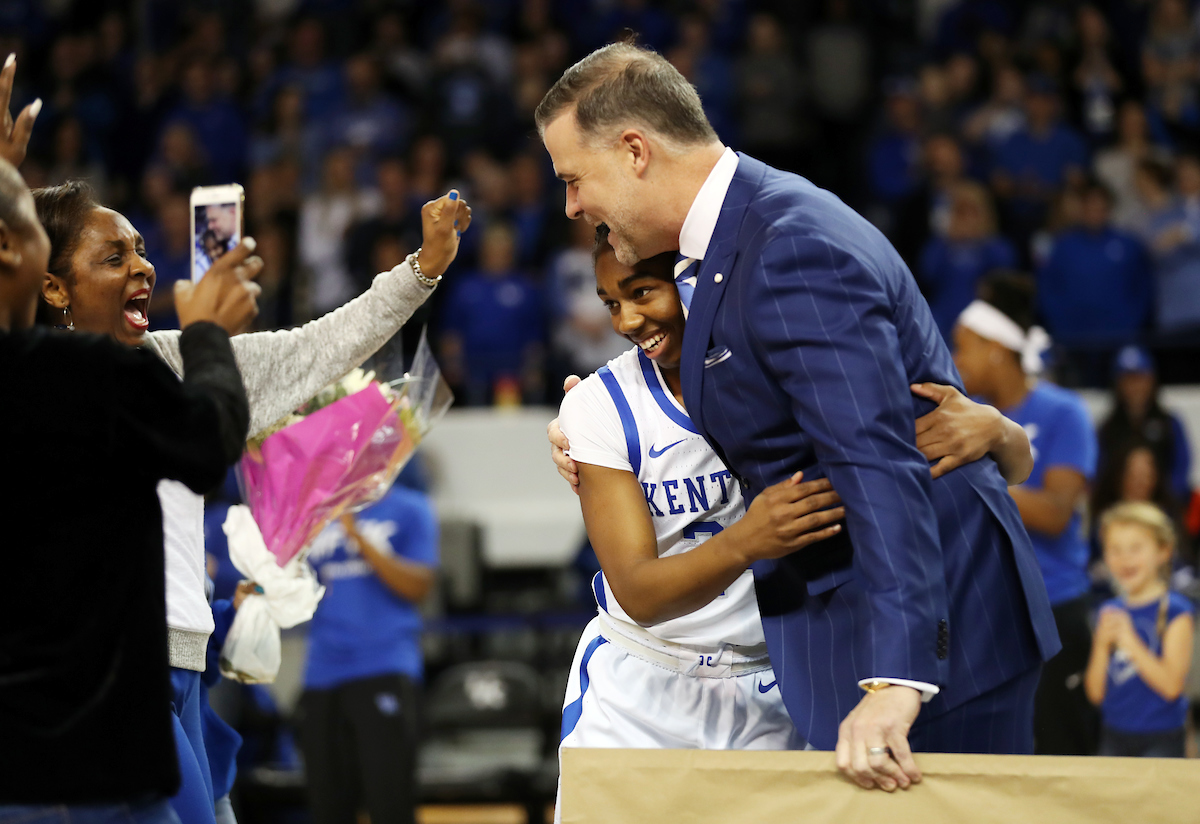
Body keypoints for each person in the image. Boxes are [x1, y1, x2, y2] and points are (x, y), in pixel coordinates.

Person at [536, 43, 1058, 792]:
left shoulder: (787, 244)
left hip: (933, 647)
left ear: (634, 151)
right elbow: (770, 430)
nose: (571, 206)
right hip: (840, 633)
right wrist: (598, 431)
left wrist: (900, 676)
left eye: (573, 179)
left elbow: (873, 459)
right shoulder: (728, 242)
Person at [31, 178, 469, 824]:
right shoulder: (40, 390)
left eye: (141, 249)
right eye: (113, 257)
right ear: (53, 287)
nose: (142, 266)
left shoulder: (177, 360)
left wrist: (422, 269)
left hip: (186, 669)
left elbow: (316, 348)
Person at [0, 154, 256, 814]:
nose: (141, 266)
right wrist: (207, 334)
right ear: (44, 277)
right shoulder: (93, 372)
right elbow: (210, 442)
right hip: (97, 724)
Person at [951, 272, 1100, 755]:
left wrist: (977, 478)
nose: (955, 359)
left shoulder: (1063, 411)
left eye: (964, 346)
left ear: (996, 348)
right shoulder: (963, 413)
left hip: (1054, 603)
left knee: (1063, 756)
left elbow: (1056, 512)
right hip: (985, 609)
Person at [298, 478, 438, 824]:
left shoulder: (410, 508)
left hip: (383, 665)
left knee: (389, 803)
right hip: (321, 671)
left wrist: (357, 536)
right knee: (328, 807)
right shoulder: (316, 510)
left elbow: (418, 586)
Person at [1085, 502, 1195, 757]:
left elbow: (1171, 687)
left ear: (1163, 551)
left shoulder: (1176, 611)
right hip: (1113, 734)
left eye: (1135, 548)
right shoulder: (1108, 611)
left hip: (1162, 737)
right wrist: (1101, 645)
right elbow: (1095, 693)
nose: (1125, 558)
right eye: (1115, 549)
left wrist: (1130, 641)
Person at [1098, 345, 1192, 503]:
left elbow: (1181, 468)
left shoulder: (1169, 423)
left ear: (1152, 380)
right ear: (1117, 384)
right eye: (1128, 379)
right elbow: (1100, 473)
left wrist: (1164, 501)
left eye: (1140, 378)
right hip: (1119, 507)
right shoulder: (1108, 428)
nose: (1135, 386)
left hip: (1164, 507)